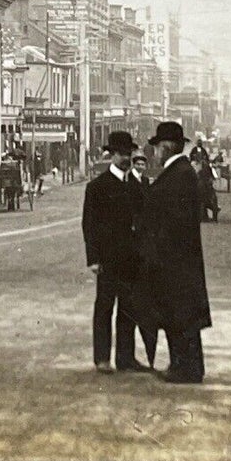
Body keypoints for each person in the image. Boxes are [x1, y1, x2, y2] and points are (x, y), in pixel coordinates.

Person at [137, 121, 210, 383]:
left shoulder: (178, 175)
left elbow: (173, 221)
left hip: (174, 260)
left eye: (156, 148)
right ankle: (184, 365)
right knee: (179, 314)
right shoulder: (182, 171)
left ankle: (185, 368)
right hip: (179, 259)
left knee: (179, 315)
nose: (154, 153)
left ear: (166, 148)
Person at [82, 129, 147, 372]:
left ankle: (125, 358)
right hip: (108, 260)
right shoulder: (97, 187)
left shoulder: (136, 186)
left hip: (131, 259)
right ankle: (102, 358)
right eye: (121, 154)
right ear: (111, 155)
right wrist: (93, 258)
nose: (126, 158)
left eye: (129, 153)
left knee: (129, 309)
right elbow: (89, 225)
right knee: (105, 308)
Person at [127, 148, 159, 368]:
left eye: (142, 165)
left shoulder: (147, 182)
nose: (139, 167)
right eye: (137, 164)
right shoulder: (128, 182)